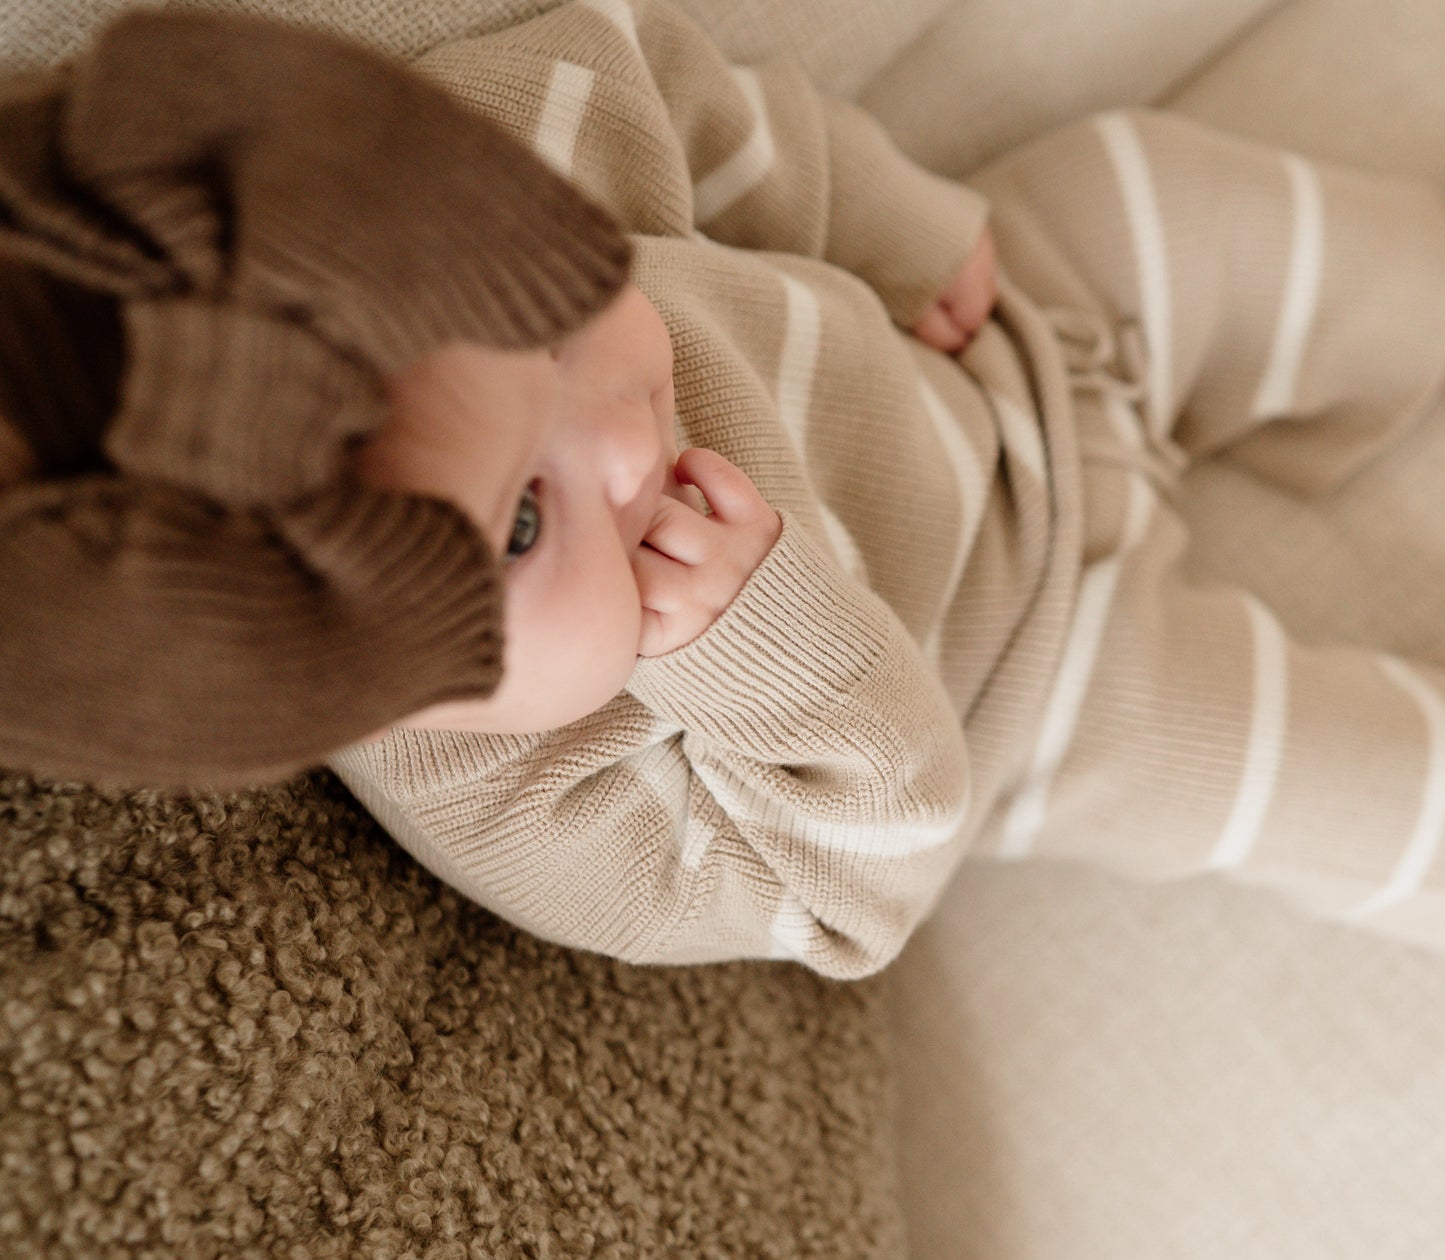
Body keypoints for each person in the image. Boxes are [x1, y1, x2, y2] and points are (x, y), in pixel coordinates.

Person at [330, 0, 1445, 976]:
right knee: (1375, 795)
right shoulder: (519, 814)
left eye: (544, 317)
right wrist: (765, 657)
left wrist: (888, 223)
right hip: (1031, 681)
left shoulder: (453, 183)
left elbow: (655, 91)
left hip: (1008, 334)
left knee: (1174, 193)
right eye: (521, 522)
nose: (623, 445)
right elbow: (851, 898)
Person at [0, 8, 631, 786]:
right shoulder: (505, 779)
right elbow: (792, 886)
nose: (631, 447)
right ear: (389, 716)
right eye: (522, 525)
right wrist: (745, 641)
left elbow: (672, 85)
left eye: (554, 341)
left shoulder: (552, 142)